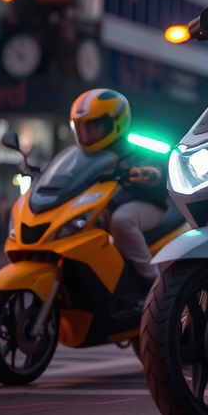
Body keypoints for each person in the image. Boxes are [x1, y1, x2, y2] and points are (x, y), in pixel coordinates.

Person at [69, 89, 168, 281]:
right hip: (104, 206)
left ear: (115, 122)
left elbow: (157, 172)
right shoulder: (79, 156)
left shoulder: (135, 145)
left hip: (148, 203)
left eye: (94, 125)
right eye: (81, 127)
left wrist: (142, 172)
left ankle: (151, 281)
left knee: (122, 221)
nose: (86, 133)